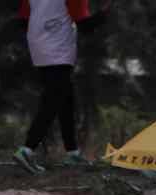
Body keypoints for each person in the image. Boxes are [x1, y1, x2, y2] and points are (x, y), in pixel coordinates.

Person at [13, 0, 110, 174]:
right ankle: (27, 149)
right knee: (52, 101)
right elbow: (86, 26)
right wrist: (104, 12)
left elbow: (23, 20)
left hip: (39, 47)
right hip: (58, 50)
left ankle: (72, 152)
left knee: (66, 98)